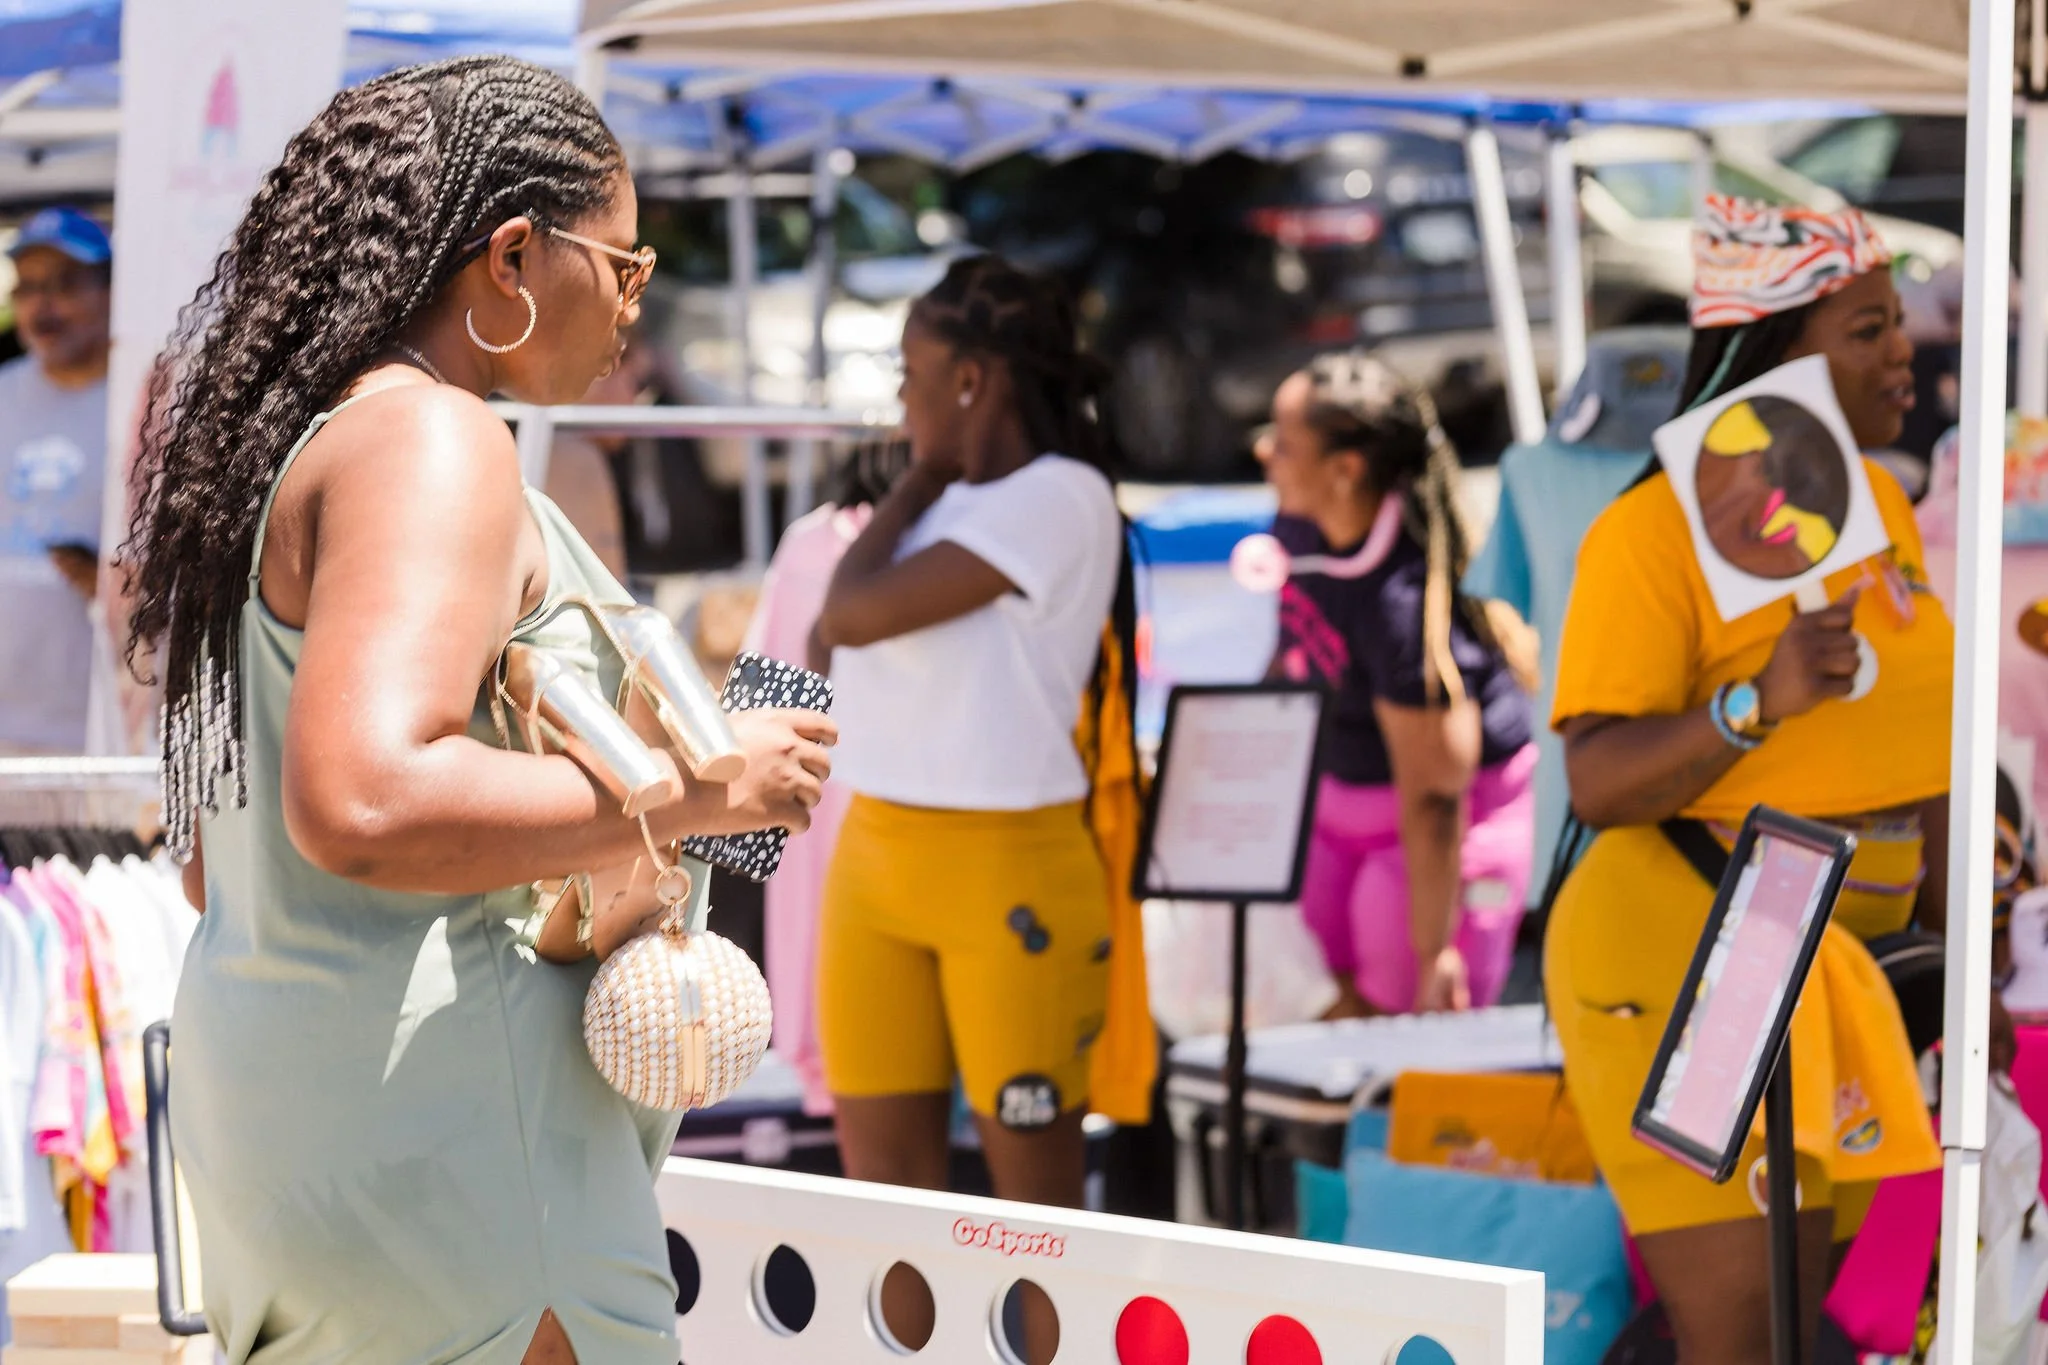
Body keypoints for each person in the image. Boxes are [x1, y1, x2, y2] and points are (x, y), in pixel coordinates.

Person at [117, 57, 833, 1365]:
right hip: (468, 1147)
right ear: (511, 259)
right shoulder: (432, 442)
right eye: (624, 264)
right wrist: (702, 786)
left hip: (304, 1120)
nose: (634, 307)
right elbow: (366, 798)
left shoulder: (290, 455)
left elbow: (221, 859)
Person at [1546, 196, 1946, 1365]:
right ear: (1775, 356)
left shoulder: (1880, 503)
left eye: (1896, 320)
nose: (1901, 350)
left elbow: (1916, 739)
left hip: (1848, 959)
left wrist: (1957, 946)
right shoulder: (1646, 534)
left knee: (1808, 1333)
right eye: (1865, 329)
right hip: (1694, 947)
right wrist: (1749, 703)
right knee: (1743, 1337)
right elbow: (1596, 782)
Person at [808, 254, 1145, 1211]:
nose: (900, 399)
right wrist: (923, 485)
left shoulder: (1062, 494)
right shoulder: (942, 506)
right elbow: (824, 638)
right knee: (887, 1208)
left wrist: (916, 481)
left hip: (1010, 871)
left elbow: (849, 615)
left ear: (969, 380)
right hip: (875, 860)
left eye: (910, 375)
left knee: (1036, 1218)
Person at [1256, 352, 1538, 1016]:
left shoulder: (1405, 609)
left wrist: (1436, 951)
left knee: (1406, 1024)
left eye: (1285, 443)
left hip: (1440, 833)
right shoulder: (1300, 528)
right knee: (1322, 997)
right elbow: (1294, 645)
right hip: (1341, 804)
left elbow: (1435, 803)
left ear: (1345, 470)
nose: (1263, 451)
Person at [0, 207, 111, 756]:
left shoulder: (145, 403)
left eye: (65, 284)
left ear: (110, 292)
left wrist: (109, 582)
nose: (43, 305)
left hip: (98, 733)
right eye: (29, 287)